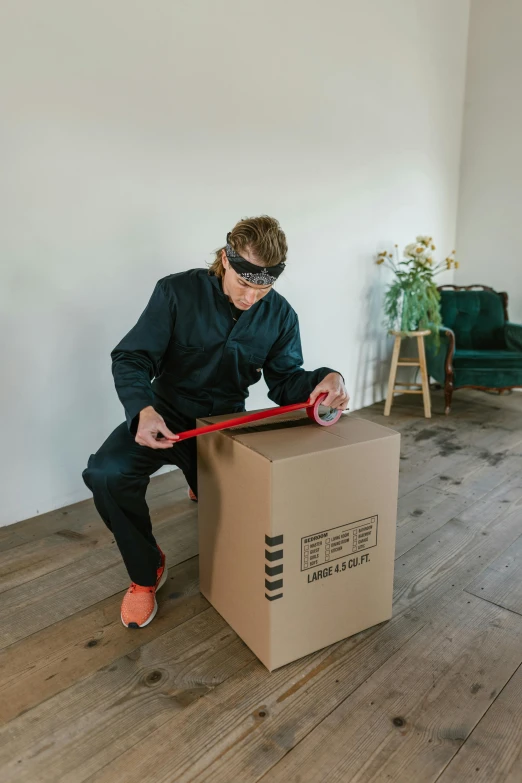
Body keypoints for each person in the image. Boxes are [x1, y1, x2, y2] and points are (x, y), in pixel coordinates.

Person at [83, 216, 349, 629]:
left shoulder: (280, 315)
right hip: (166, 413)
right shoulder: (175, 291)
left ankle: (199, 477)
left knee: (248, 515)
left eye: (263, 288)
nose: (250, 297)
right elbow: (132, 357)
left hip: (225, 424)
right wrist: (142, 410)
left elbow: (285, 383)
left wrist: (327, 379)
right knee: (106, 473)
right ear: (226, 260)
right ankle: (146, 571)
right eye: (244, 284)